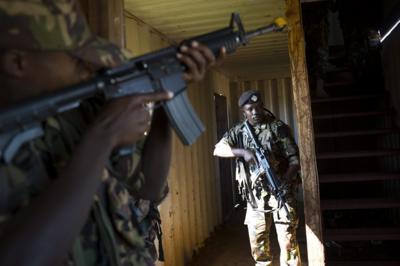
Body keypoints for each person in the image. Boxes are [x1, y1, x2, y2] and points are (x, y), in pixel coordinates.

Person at [0, 0, 225, 265]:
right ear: (17, 62)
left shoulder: (76, 113)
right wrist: (103, 136)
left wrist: (168, 92)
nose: (86, 70)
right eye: (75, 59)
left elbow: (149, 187)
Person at [213, 90, 301, 266]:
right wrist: (242, 152)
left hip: (281, 194)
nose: (255, 112)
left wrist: (284, 181)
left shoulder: (277, 127)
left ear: (263, 106)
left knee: (289, 244)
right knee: (259, 247)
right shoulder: (239, 130)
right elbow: (218, 149)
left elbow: (295, 160)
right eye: (249, 109)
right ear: (243, 111)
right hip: (255, 199)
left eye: (258, 107)